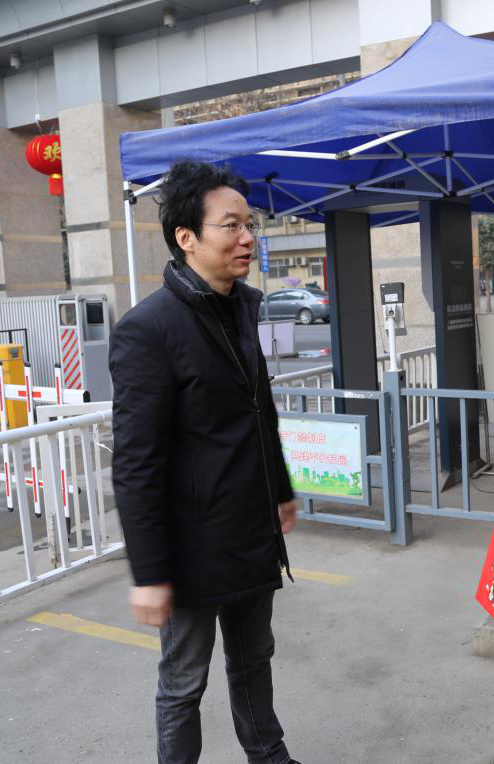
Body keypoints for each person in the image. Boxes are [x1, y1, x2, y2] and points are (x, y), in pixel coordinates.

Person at [110, 160, 301, 764]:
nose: (247, 238)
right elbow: (136, 464)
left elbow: (259, 411)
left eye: (250, 225)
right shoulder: (148, 329)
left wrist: (280, 489)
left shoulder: (241, 305)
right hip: (191, 545)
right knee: (183, 682)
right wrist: (149, 573)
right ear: (186, 237)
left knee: (253, 659)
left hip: (250, 528)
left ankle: (269, 755)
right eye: (231, 226)